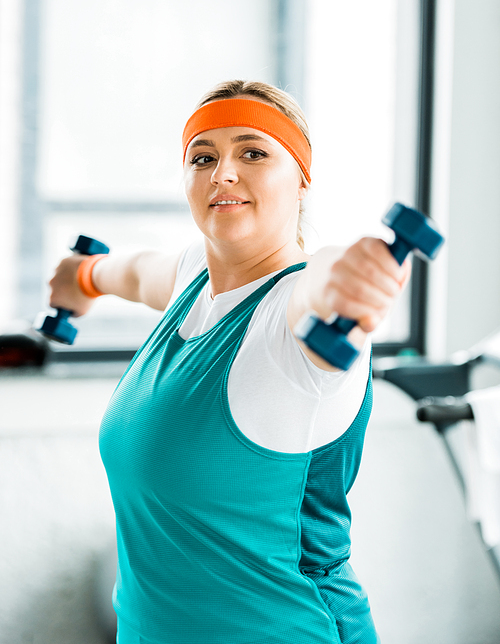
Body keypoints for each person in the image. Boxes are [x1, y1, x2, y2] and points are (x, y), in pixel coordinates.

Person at [49, 80, 410, 644]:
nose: (223, 173)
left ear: (302, 179)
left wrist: (352, 273)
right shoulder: (194, 277)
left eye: (253, 152)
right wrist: (82, 277)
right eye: (203, 157)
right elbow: (136, 270)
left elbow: (323, 282)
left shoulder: (294, 322)